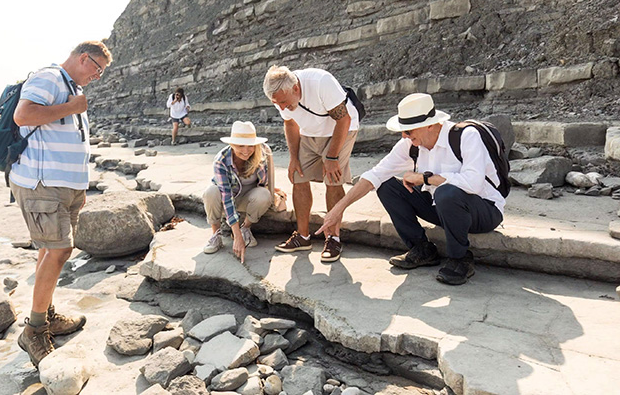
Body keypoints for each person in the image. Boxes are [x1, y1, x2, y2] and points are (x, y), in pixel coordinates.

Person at [316, 93, 504, 285]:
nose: (404, 135)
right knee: (387, 185)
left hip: (483, 212)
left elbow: (473, 183)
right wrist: (338, 209)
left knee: (446, 192)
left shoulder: (466, 136)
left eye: (408, 130)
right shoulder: (410, 144)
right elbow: (375, 174)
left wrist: (425, 179)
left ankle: (459, 258)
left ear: (430, 124)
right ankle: (422, 249)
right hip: (441, 208)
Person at [9, 40, 112, 366]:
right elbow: (23, 116)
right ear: (84, 58)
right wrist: (72, 107)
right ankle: (35, 331)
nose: (98, 77)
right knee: (59, 250)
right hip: (43, 184)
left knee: (48, 250)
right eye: (97, 69)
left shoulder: (68, 86)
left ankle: (47, 312)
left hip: (65, 186)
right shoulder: (50, 77)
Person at [263, 65, 359, 263]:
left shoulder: (321, 82)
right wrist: (293, 158)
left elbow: (344, 119)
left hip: (339, 131)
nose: (280, 107)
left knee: (332, 180)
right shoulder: (278, 93)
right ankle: (303, 236)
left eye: (283, 102)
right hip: (309, 132)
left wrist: (331, 157)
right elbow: (289, 123)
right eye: (276, 103)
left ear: (296, 89)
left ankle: (333, 238)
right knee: (299, 177)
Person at [202, 121, 285, 263]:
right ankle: (216, 234)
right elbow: (226, 197)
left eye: (250, 146)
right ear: (232, 145)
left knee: (264, 195)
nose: (246, 151)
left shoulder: (263, 152)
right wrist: (236, 236)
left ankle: (246, 228)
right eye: (241, 146)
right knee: (210, 191)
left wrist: (273, 189)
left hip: (248, 198)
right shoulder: (221, 160)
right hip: (225, 199)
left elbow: (264, 182)